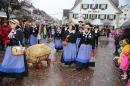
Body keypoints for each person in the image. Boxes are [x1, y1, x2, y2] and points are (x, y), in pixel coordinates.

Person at [0, 19, 28, 85]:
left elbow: (20, 42)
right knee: (6, 62)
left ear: (16, 25)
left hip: (16, 50)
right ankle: (2, 75)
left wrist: (10, 41)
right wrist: (8, 41)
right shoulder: (13, 31)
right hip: (10, 50)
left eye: (12, 24)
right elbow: (11, 38)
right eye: (10, 23)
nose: (10, 25)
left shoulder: (19, 31)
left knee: (17, 63)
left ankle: (18, 76)